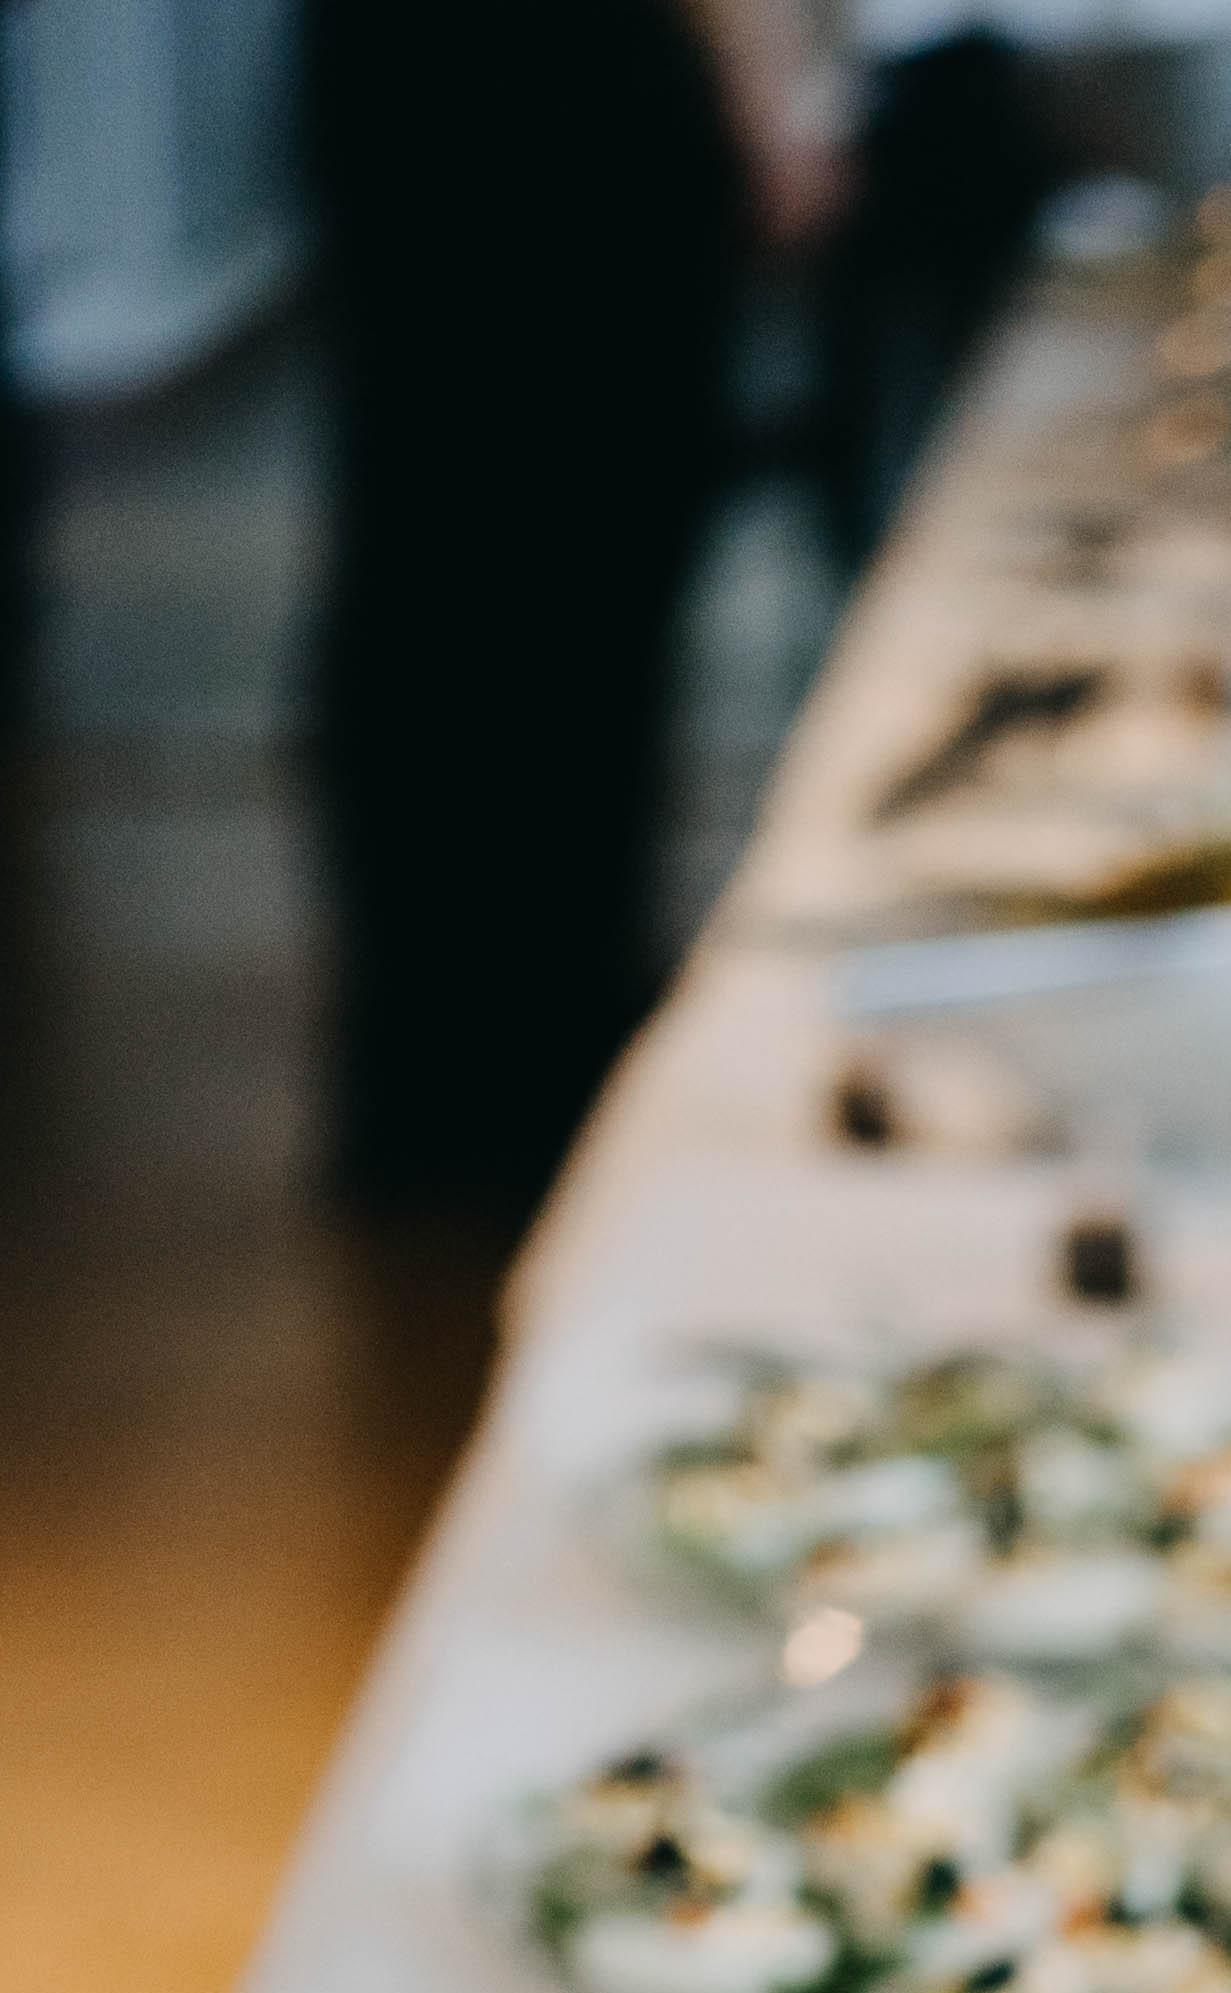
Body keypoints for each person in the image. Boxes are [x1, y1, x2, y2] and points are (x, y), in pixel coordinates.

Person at [300, 0, 849, 1215]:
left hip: (414, 68)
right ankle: (536, 1057)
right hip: (576, 78)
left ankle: (441, 1067)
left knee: (435, 539)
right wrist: (770, 93)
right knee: (580, 552)